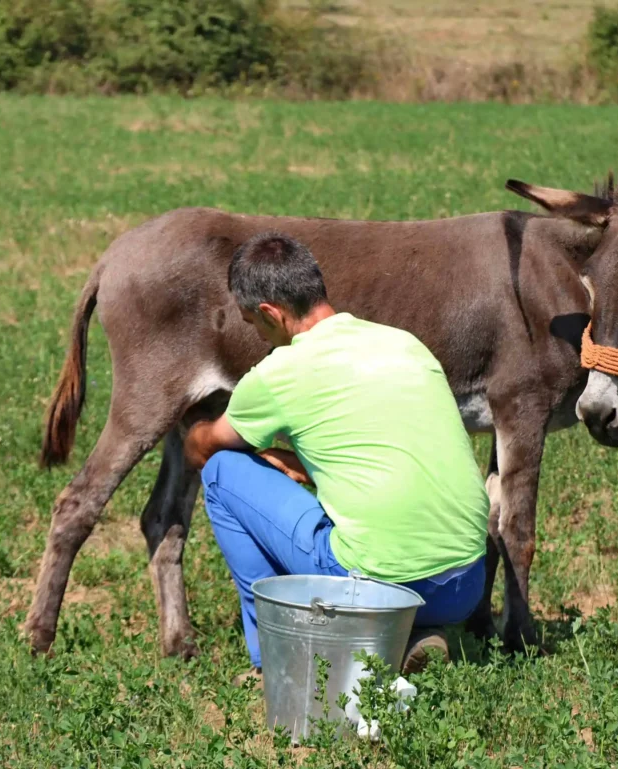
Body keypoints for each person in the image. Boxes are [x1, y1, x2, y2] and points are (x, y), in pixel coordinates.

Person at [183, 232, 489, 678]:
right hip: (465, 584)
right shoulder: (404, 343)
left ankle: (274, 657)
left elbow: (204, 450)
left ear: (270, 313)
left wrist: (205, 432)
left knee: (222, 473)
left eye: (252, 323)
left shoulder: (277, 374)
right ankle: (412, 634)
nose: (255, 333)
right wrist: (297, 457)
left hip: (374, 587)